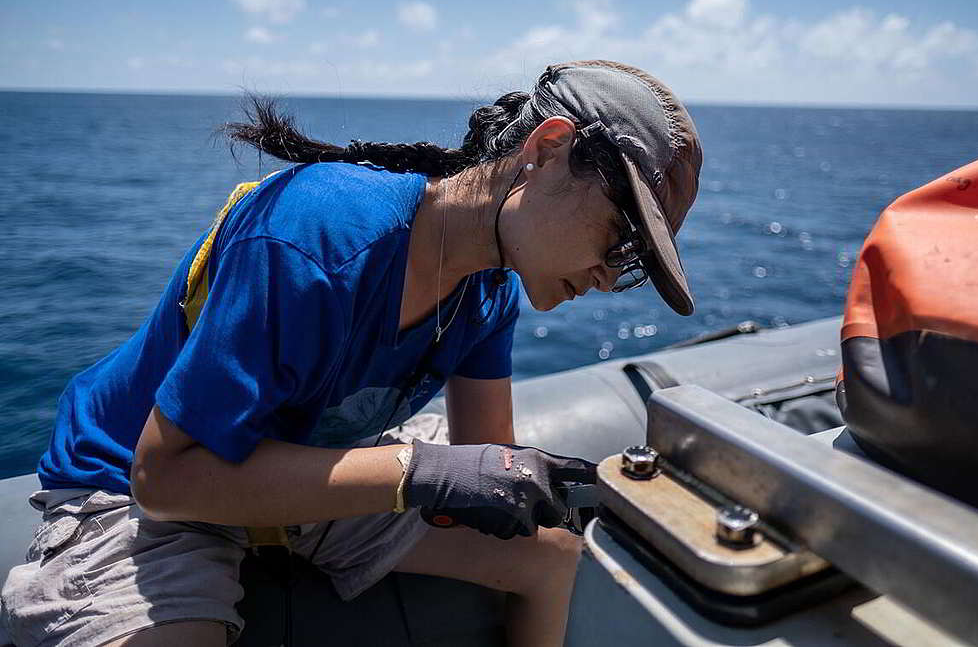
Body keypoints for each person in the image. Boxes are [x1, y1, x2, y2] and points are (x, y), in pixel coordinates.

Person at [0, 60, 701, 647]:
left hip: (299, 476)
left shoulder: (488, 295)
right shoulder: (319, 236)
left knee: (554, 558)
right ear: (547, 151)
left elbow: (487, 469)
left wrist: (544, 491)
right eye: (621, 237)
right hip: (132, 486)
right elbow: (165, 476)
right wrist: (423, 467)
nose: (612, 275)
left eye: (634, 262)